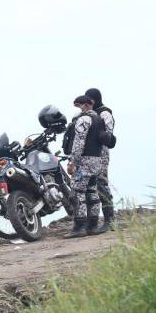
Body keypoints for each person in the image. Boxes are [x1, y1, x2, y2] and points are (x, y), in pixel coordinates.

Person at [65, 95, 108, 238]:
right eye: (78, 106)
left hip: (83, 162)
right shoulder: (99, 119)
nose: (80, 108)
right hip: (96, 161)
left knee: (77, 193)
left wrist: (72, 162)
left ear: (88, 104)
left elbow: (78, 143)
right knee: (92, 192)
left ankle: (79, 227)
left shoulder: (83, 119)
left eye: (81, 105)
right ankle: (93, 225)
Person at [85, 88, 115, 233]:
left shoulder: (104, 113)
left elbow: (109, 135)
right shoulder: (90, 114)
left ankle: (110, 220)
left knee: (101, 184)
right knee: (90, 186)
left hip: (101, 152)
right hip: (89, 155)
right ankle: (92, 222)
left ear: (94, 100)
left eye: (88, 99)